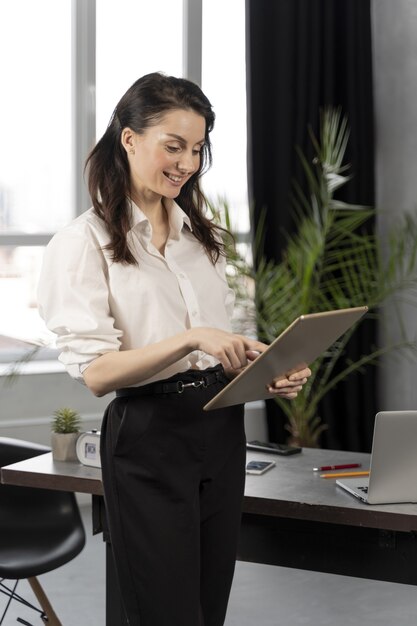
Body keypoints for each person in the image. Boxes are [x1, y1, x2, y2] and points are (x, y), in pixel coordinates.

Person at [38, 72, 311, 626]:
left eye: (197, 148)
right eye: (173, 145)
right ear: (129, 138)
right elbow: (96, 372)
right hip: (148, 437)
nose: (187, 162)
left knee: (210, 607)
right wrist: (190, 338)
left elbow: (214, 345)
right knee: (162, 613)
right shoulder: (82, 243)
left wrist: (263, 369)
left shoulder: (199, 237)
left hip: (219, 425)